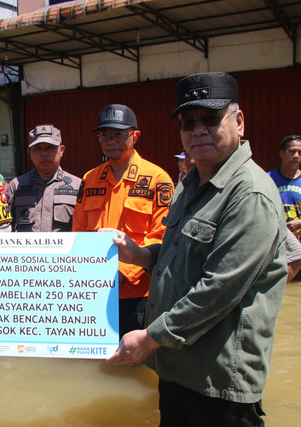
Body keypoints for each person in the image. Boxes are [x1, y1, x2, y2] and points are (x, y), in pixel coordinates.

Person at [105, 72, 287, 426]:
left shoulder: (249, 193)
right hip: (178, 368)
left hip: (218, 382)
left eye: (210, 119)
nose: (198, 130)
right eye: (188, 122)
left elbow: (219, 289)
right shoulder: (192, 183)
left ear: (239, 122)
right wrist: (143, 255)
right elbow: (180, 252)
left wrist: (149, 337)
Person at [73, 104, 173, 337]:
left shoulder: (157, 179)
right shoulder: (90, 179)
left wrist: (122, 272)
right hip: (94, 292)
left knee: (136, 364)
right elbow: (78, 232)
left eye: (118, 134)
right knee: (95, 362)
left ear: (135, 136)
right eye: (104, 135)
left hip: (138, 296)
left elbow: (161, 236)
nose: (110, 140)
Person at [5, 124, 81, 232]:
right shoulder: (16, 186)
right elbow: (5, 228)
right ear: (29, 153)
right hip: (27, 249)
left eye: (50, 147)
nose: (44, 153)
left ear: (62, 150)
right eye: (37, 148)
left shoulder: (78, 186)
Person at [268, 135, 301, 239]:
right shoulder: (268, 179)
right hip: (276, 240)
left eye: (300, 152)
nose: (296, 155)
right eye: (292, 151)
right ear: (281, 153)